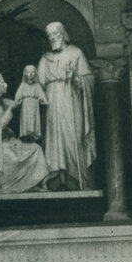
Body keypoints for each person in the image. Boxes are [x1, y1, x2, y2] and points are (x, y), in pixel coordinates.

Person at [37, 21, 96, 188]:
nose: (52, 39)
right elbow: (38, 84)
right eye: (49, 36)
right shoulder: (45, 58)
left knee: (75, 137)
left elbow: (90, 80)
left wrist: (76, 77)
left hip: (72, 102)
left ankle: (78, 179)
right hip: (52, 105)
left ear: (62, 34)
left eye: (55, 35)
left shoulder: (76, 53)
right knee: (54, 139)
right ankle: (57, 178)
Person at [12, 64, 48, 143]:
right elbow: (17, 96)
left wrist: (43, 100)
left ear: (35, 73)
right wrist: (18, 101)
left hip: (34, 106)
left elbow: (42, 95)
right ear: (25, 73)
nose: (31, 74)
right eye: (28, 72)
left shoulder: (37, 86)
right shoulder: (23, 85)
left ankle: (33, 137)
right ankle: (25, 136)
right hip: (25, 107)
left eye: (32, 72)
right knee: (26, 121)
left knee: (34, 121)